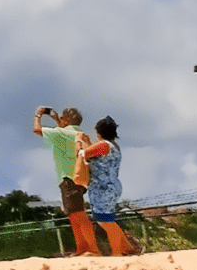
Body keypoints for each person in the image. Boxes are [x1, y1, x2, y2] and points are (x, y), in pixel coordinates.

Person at [35, 106, 97, 255]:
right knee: (74, 216)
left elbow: (37, 130)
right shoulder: (78, 133)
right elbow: (64, 134)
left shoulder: (62, 133)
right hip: (79, 177)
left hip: (68, 178)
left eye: (62, 118)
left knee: (79, 216)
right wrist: (58, 120)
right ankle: (82, 248)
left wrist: (38, 115)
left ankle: (93, 249)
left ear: (67, 120)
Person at [80, 119, 136, 256]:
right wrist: (88, 143)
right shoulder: (113, 146)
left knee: (105, 222)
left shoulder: (103, 145)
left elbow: (84, 154)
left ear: (99, 132)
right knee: (107, 220)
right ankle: (127, 248)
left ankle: (117, 252)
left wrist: (80, 143)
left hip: (102, 188)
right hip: (111, 186)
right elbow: (97, 155)